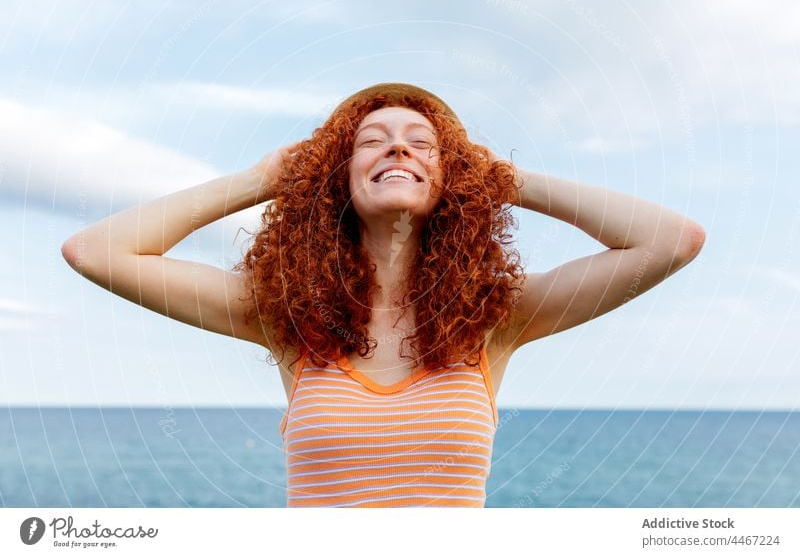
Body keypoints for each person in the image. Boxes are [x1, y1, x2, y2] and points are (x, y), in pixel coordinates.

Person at [61, 82, 705, 508]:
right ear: (334, 180)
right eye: (371, 140)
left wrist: (504, 178)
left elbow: (671, 242)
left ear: (452, 181)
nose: (397, 144)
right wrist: (260, 179)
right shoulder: (288, 320)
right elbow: (95, 252)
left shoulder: (497, 320)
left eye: (423, 143)